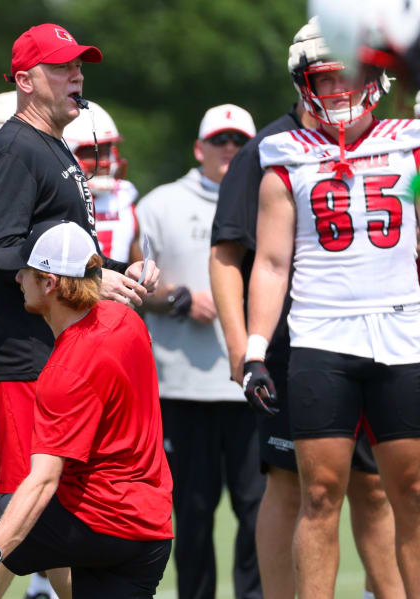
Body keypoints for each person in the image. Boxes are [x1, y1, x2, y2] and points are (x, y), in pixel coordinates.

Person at [211, 20, 406, 599]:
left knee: (381, 487)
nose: (341, 89)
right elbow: (238, 258)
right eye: (327, 77)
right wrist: (244, 348)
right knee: (296, 485)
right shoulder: (270, 151)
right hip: (301, 342)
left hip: (391, 332)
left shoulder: (402, 141)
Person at [0, 24, 158, 597]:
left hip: (59, 363)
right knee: (11, 529)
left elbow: (59, 252)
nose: (77, 76)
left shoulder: (50, 146)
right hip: (22, 363)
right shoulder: (12, 148)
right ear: (25, 81)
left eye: (79, 66)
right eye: (61, 67)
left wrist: (111, 273)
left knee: (62, 526)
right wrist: (87, 286)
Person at [0, 221, 173, 599]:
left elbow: (42, 481)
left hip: (95, 520)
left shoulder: (64, 371)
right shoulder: (125, 321)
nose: (17, 281)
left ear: (49, 284)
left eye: (25, 272)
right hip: (151, 533)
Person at [137, 104, 264, 599]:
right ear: (199, 148)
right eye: (220, 141)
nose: (230, 150)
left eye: (239, 142)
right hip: (182, 386)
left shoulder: (270, 197)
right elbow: (129, 283)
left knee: (258, 510)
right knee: (191, 512)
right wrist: (177, 298)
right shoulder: (160, 204)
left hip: (253, 383)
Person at [62, 100, 140, 263]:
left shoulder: (124, 199)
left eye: (107, 151)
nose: (104, 162)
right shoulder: (56, 200)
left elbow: (138, 267)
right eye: (92, 152)